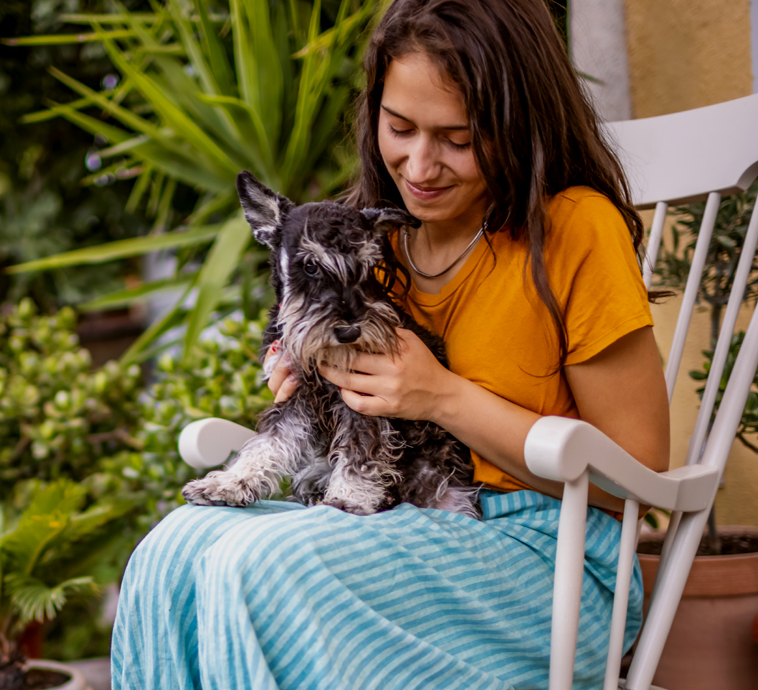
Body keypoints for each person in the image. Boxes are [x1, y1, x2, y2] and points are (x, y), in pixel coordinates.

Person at [111, 1, 670, 688]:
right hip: (397, 523)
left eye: (458, 139)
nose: (420, 164)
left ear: (518, 123)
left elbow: (636, 473)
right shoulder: (369, 235)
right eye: (399, 127)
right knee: (174, 548)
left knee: (258, 566)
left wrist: (440, 395)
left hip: (548, 564)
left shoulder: (574, 229)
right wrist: (300, 365)